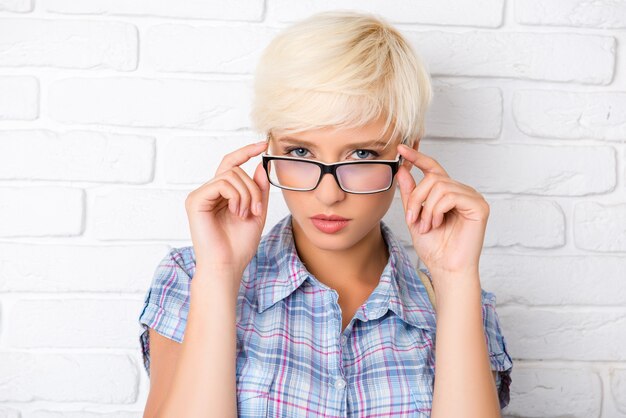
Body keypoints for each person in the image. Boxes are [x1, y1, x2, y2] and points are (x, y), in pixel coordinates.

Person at [138, 10, 513, 418]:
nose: (329, 194)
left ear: (407, 154)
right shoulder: (191, 278)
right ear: (269, 148)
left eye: (363, 154)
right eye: (300, 152)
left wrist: (456, 278)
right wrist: (219, 274)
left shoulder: (457, 304)